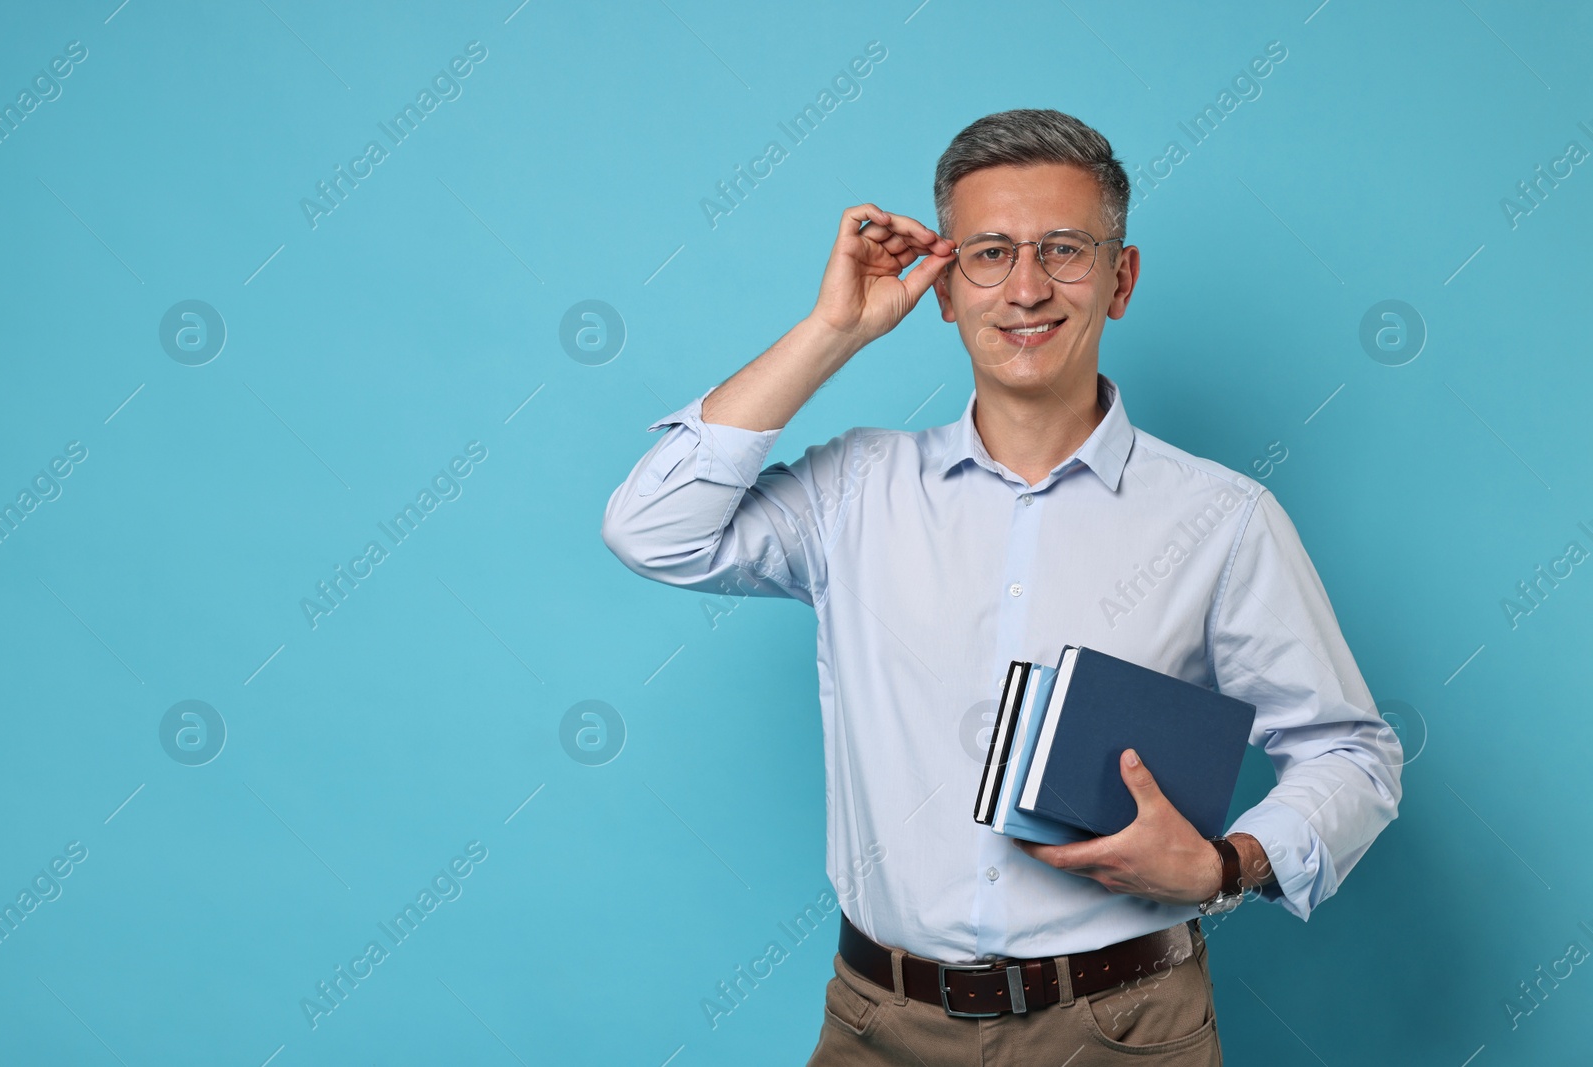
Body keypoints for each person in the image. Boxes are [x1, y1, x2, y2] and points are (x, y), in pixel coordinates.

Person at [601, 108, 1403, 1065]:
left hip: (1126, 1026)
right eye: (987, 253)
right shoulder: (854, 489)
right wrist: (832, 331)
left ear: (1122, 278)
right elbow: (650, 529)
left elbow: (1351, 753)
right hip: (878, 1026)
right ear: (943, 289)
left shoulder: (1222, 519)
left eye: (1064, 249)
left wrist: (1226, 864)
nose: (1026, 287)